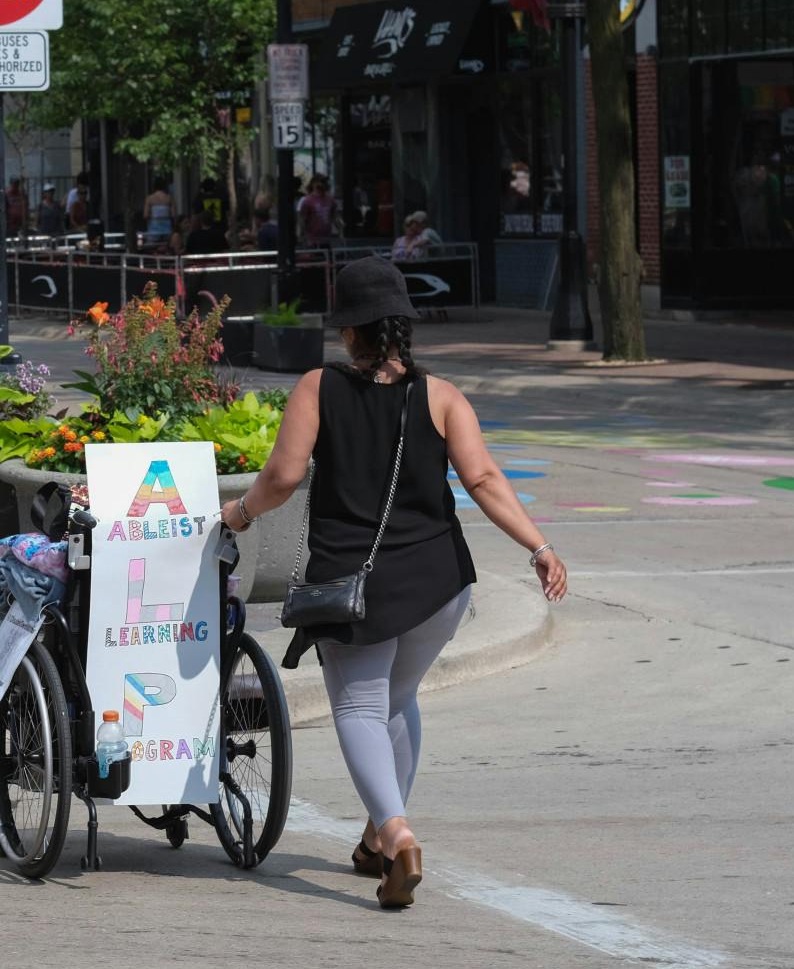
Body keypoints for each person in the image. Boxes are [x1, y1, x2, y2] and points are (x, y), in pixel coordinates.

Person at [218, 258, 567, 910]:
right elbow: (485, 480)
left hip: (357, 587)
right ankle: (377, 838)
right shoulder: (441, 396)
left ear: (348, 330)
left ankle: (398, 834)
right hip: (440, 584)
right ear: (402, 326)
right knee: (398, 697)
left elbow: (282, 477)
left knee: (358, 705)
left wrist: (236, 514)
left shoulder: (318, 389)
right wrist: (538, 546)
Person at [300, 176, 338, 246]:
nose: (322, 184)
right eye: (320, 182)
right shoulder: (307, 201)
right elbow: (303, 220)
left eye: (324, 182)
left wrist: (340, 233)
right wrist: (304, 236)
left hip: (327, 238)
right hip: (312, 239)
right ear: (314, 184)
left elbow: (334, 217)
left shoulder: (331, 200)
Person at [142, 180, 175, 247]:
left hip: (154, 230)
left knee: (152, 248)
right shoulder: (169, 198)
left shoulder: (150, 198)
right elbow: (174, 215)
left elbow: (145, 215)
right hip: (167, 229)